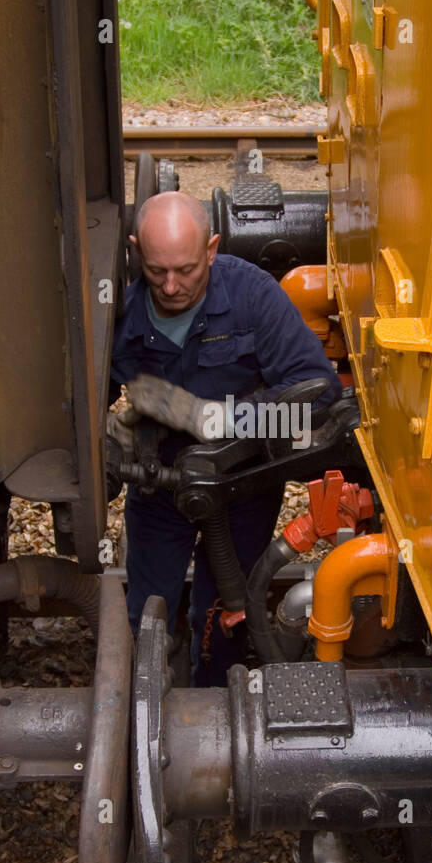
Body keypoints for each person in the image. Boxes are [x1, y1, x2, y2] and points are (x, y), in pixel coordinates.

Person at [109, 190, 342, 685]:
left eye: (187, 270)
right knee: (145, 614)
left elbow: (317, 393)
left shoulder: (253, 296)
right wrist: (109, 435)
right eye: (157, 271)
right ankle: (150, 695)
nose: (171, 286)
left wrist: (214, 421)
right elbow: (81, 398)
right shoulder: (120, 313)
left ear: (212, 249)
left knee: (223, 616)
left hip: (242, 486)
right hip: (160, 487)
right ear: (135, 252)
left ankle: (215, 705)